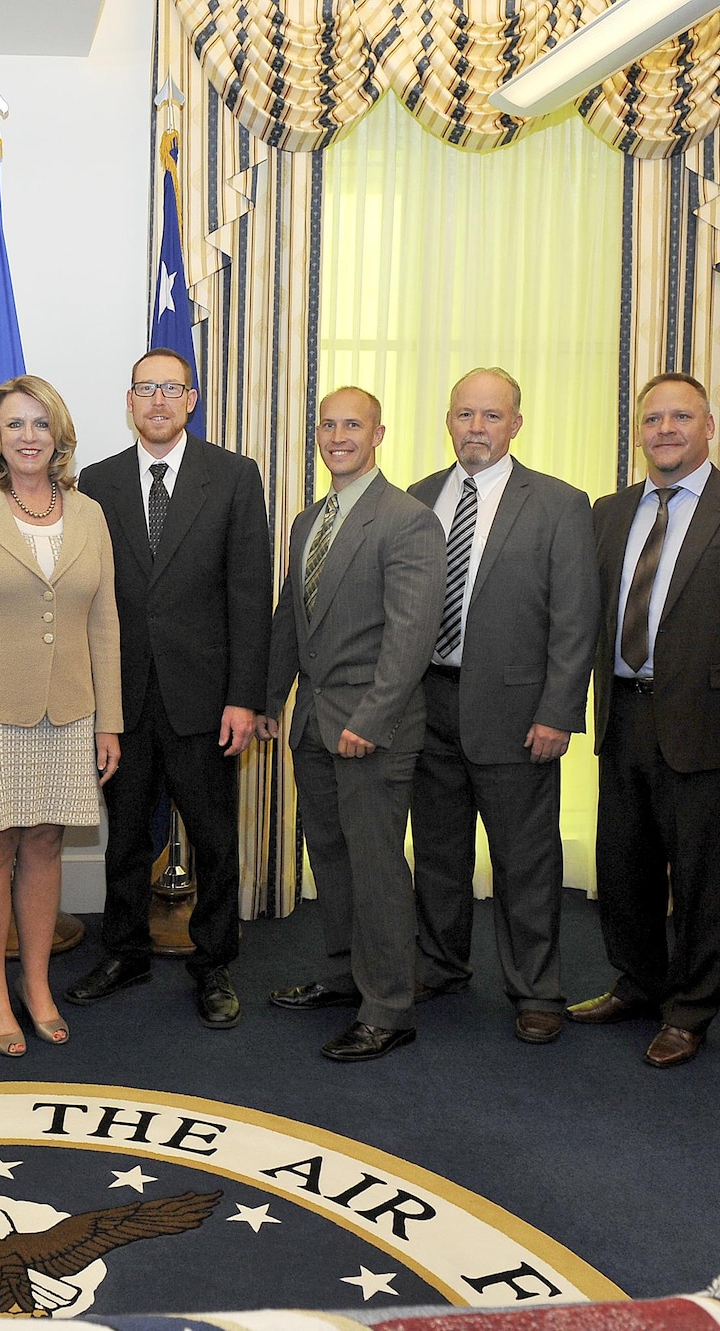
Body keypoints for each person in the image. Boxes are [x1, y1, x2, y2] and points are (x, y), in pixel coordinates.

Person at [570, 372, 720, 1067]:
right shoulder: (608, 512)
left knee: (702, 878)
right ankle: (638, 983)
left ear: (710, 427)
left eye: (681, 416)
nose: (665, 429)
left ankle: (690, 1010)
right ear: (638, 431)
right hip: (623, 714)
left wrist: (718, 680)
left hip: (708, 724)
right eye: (652, 419)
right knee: (623, 867)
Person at [66, 349, 270, 1027]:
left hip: (206, 699)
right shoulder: (96, 483)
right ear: (131, 401)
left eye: (171, 389)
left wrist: (246, 696)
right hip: (119, 698)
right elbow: (84, 596)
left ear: (191, 399)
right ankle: (123, 951)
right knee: (123, 836)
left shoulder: (234, 477)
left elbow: (247, 593)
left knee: (213, 837)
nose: (158, 400)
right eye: (146, 389)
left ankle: (214, 964)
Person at [0, 375, 122, 1056]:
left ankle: (37, 984)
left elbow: (105, 623)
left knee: (44, 844)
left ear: (58, 433)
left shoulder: (89, 513)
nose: (29, 436)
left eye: (41, 424)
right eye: (15, 424)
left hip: (69, 711)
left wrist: (110, 720)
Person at [406, 368, 597, 1045]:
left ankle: (536, 988)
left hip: (519, 716)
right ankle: (440, 963)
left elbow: (576, 621)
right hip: (428, 706)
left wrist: (558, 712)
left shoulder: (558, 503)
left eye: (491, 415)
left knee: (525, 860)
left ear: (516, 423)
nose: (476, 428)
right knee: (438, 852)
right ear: (449, 421)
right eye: (464, 414)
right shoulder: (418, 498)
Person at [261, 387, 445, 1061]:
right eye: (329, 424)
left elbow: (411, 634)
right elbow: (291, 617)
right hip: (312, 721)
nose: (338, 435)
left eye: (353, 425)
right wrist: (266, 700)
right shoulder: (311, 519)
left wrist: (372, 717)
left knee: (375, 868)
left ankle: (390, 1006)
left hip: (373, 727)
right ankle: (348, 975)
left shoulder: (408, 520)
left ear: (379, 434)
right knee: (331, 859)